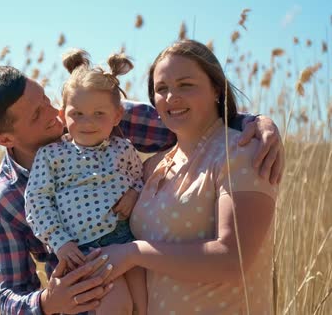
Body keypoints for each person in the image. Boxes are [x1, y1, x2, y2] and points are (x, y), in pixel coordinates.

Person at [0, 57, 284, 314]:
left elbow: (195, 120)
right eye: (37, 114)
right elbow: (8, 294)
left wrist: (254, 123)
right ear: (4, 139)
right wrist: (47, 303)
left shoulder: (95, 114)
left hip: (147, 278)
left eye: (45, 98)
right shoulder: (3, 201)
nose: (56, 113)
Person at [95, 39, 278, 314]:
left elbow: (232, 259)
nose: (171, 97)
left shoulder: (240, 152)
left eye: (186, 85)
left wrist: (134, 253)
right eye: (161, 89)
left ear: (216, 88)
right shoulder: (151, 166)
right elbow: (82, 112)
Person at [25, 49, 147, 314]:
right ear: (62, 114)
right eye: (77, 114)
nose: (87, 122)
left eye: (99, 114)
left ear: (116, 116)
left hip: (125, 238)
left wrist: (134, 194)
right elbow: (37, 200)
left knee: (144, 302)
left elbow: (139, 178)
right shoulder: (52, 155)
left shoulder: (122, 148)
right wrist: (60, 242)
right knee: (118, 306)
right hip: (85, 248)